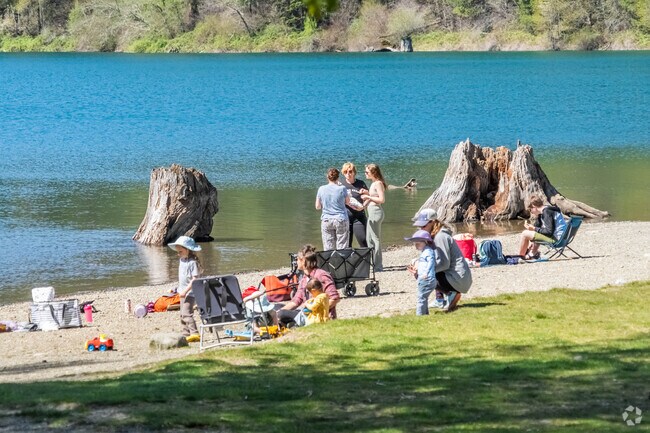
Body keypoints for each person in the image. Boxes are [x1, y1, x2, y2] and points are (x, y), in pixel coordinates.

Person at [412, 209, 472, 312]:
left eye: (424, 225)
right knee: (423, 271)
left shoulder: (440, 237)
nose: (421, 228)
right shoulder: (434, 235)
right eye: (420, 226)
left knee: (423, 274)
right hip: (456, 277)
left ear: (433, 222)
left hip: (458, 279)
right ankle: (440, 299)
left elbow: (444, 264)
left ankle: (450, 293)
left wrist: (423, 270)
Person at [278, 244, 341, 326]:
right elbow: (296, 301)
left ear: (303, 261)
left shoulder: (321, 275)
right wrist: (277, 313)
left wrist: (314, 310)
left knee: (282, 314)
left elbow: (335, 299)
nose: (296, 262)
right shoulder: (304, 279)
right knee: (278, 308)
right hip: (306, 313)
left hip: (319, 317)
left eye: (297, 259)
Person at [167, 235, 203, 342]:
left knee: (187, 313)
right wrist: (176, 289)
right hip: (182, 291)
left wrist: (185, 291)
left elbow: (195, 279)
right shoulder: (182, 261)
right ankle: (185, 333)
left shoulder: (193, 263)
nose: (178, 254)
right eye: (177, 252)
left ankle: (195, 333)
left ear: (188, 250)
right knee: (182, 314)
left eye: (180, 251)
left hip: (190, 293)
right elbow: (183, 278)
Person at [316, 167, 350, 251]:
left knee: (328, 247)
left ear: (327, 177)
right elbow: (348, 202)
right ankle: (341, 263)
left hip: (326, 220)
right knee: (342, 246)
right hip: (340, 219)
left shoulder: (321, 189)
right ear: (338, 178)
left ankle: (330, 263)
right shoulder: (342, 188)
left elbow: (317, 206)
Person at [405, 229, 437, 316]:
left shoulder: (428, 251)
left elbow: (431, 262)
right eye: (415, 243)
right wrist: (416, 272)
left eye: (418, 243)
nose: (416, 245)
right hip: (424, 278)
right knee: (423, 297)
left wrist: (426, 273)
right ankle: (425, 314)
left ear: (425, 242)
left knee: (421, 297)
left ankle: (420, 315)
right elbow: (424, 264)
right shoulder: (424, 252)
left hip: (427, 278)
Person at [361, 163, 386, 271]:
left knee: (376, 239)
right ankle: (372, 264)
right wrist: (367, 194)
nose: (365, 174)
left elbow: (381, 200)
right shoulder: (373, 183)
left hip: (376, 212)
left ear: (373, 173)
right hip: (371, 212)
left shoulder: (378, 183)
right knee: (369, 239)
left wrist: (367, 196)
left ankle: (378, 266)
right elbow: (373, 196)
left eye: (367, 172)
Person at [340, 162, 368, 248]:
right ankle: (349, 261)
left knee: (363, 240)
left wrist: (363, 206)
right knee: (347, 244)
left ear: (354, 172)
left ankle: (366, 260)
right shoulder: (341, 185)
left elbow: (368, 198)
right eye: (345, 172)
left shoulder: (360, 183)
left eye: (350, 171)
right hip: (345, 218)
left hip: (359, 217)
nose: (348, 174)